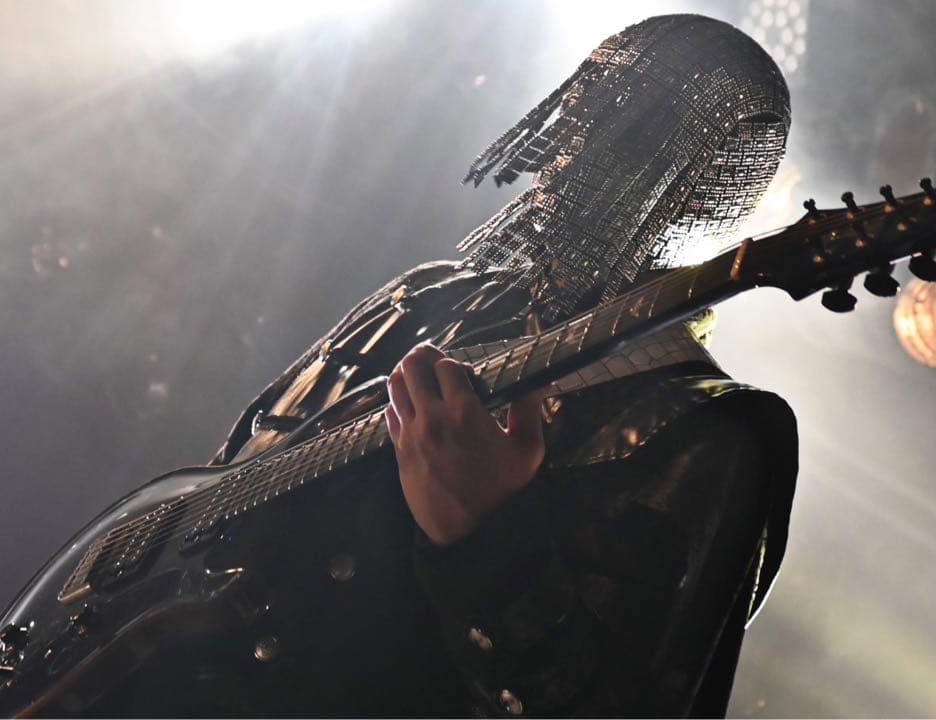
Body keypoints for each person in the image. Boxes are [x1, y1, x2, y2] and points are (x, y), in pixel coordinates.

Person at [212, 14, 798, 717]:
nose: (573, 138)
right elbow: (226, 474)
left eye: (628, 121)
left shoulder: (715, 434)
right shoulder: (421, 298)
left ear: (706, 190)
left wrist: (486, 541)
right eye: (581, 103)